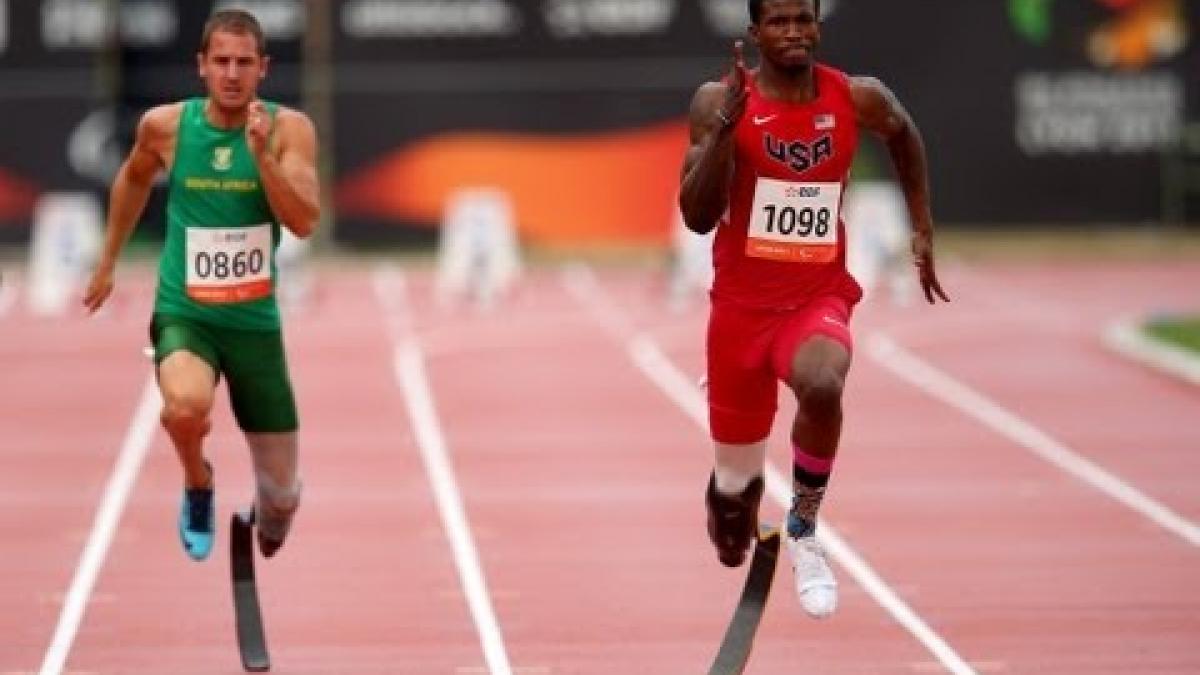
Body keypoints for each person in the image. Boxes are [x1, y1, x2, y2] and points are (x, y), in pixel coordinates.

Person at [678, 0, 949, 619]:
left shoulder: (856, 98)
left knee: (824, 384)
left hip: (816, 296)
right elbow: (696, 218)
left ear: (819, 25)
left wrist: (923, 225)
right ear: (755, 32)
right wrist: (725, 131)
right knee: (733, 514)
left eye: (805, 18)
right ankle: (728, 500)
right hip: (741, 312)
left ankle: (803, 530)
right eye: (779, 21)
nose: (795, 31)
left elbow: (904, 132)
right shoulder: (714, 102)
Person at [83, 9, 319, 561]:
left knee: (280, 502)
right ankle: (197, 481)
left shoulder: (289, 130)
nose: (232, 74)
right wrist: (107, 259)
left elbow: (304, 220)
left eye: (243, 63)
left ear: (263, 68)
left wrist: (261, 155)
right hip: (186, 313)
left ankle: (276, 509)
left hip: (255, 326)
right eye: (221, 62)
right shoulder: (165, 126)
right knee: (184, 408)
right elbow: (133, 178)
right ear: (201, 67)